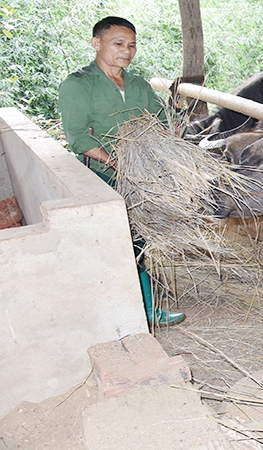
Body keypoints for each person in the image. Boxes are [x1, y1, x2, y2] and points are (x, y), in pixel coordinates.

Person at [59, 16, 185, 327]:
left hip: (141, 177)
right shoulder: (78, 85)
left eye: (131, 45)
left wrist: (172, 147)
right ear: (96, 43)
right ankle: (132, 313)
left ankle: (146, 310)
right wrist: (117, 163)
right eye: (118, 44)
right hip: (102, 176)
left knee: (139, 242)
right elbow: (78, 138)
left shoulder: (139, 84)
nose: (126, 51)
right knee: (117, 244)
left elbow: (159, 122)